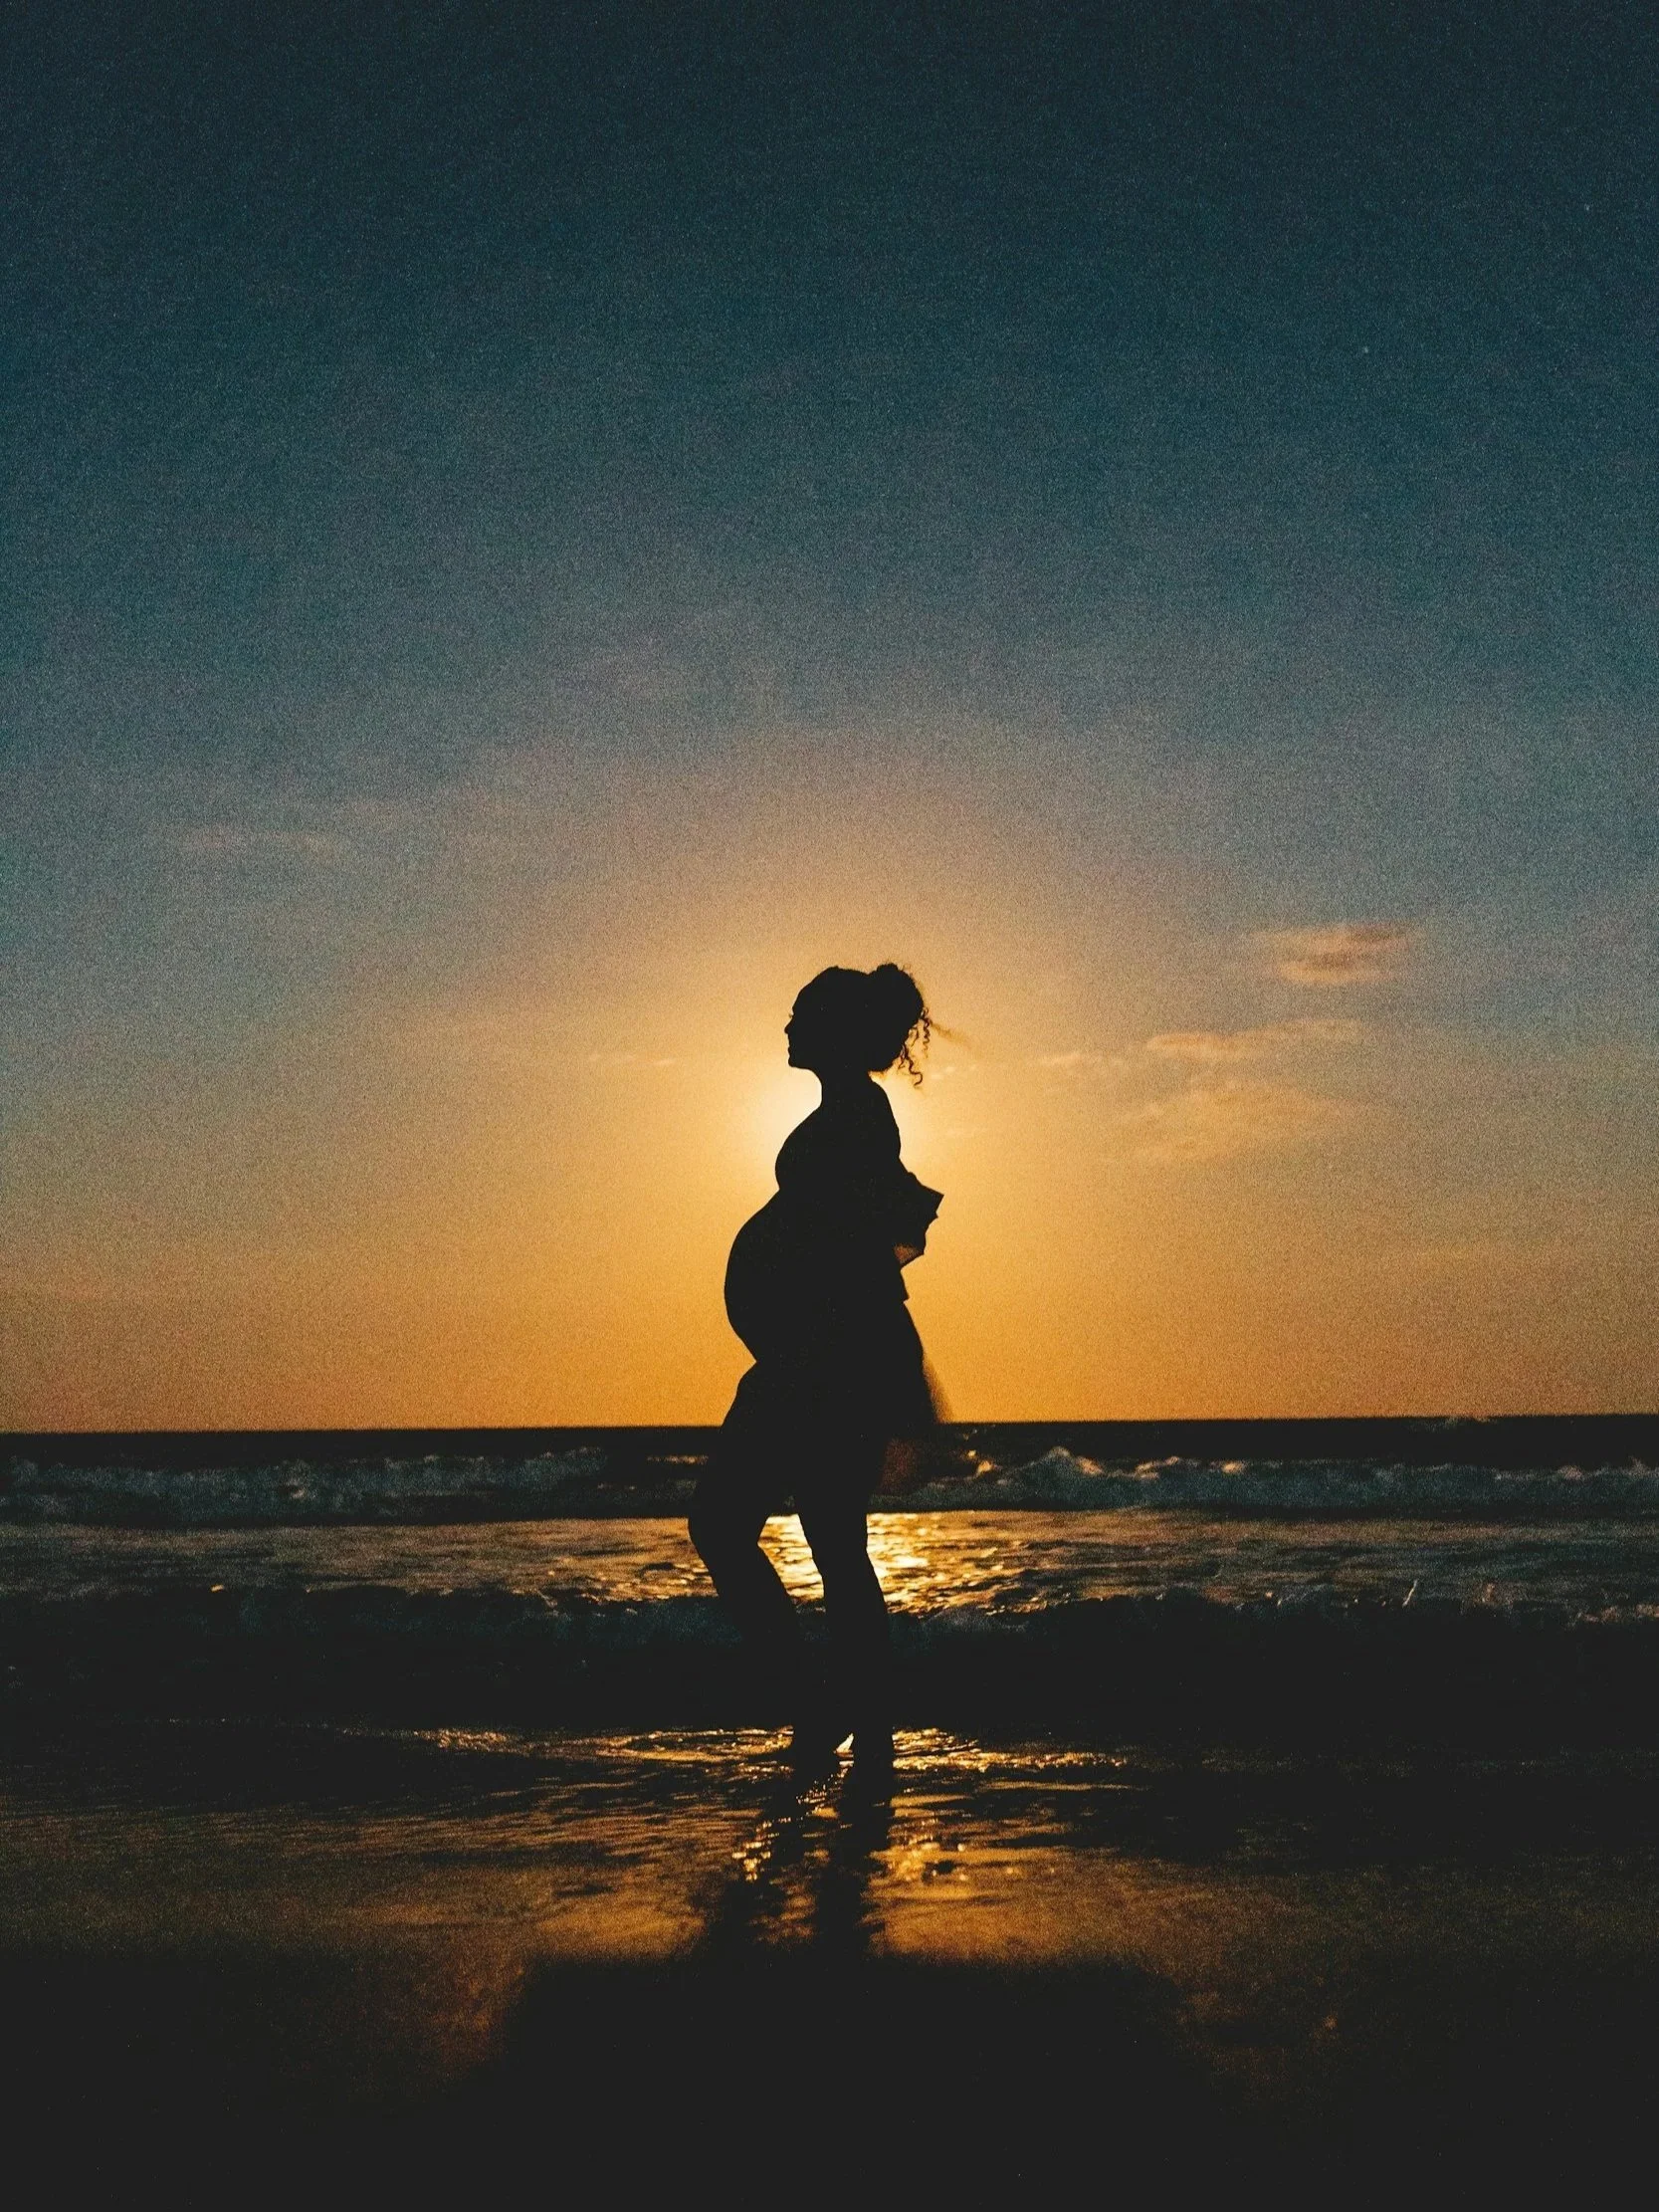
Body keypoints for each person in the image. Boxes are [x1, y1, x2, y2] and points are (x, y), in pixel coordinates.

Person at [690, 963, 943, 1784]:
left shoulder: (858, 1119)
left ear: (831, 1030)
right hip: (818, 1358)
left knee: (729, 1527)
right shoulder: (846, 1113)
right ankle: (852, 1724)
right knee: (829, 1543)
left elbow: (851, 1244)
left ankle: (824, 1708)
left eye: (800, 1015)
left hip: (822, 1362)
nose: (787, 1027)